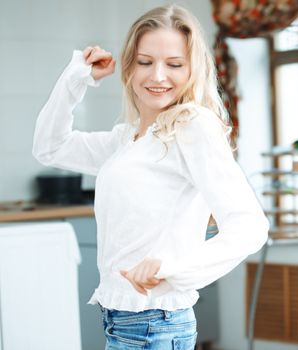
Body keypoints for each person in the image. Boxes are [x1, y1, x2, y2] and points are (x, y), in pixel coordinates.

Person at [32, 4, 269, 350]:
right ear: (128, 67)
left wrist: (174, 268)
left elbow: (250, 227)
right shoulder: (127, 139)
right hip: (121, 320)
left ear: (192, 70)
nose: (158, 76)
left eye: (174, 64)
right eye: (145, 62)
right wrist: (76, 77)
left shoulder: (191, 127)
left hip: (155, 324)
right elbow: (50, 147)